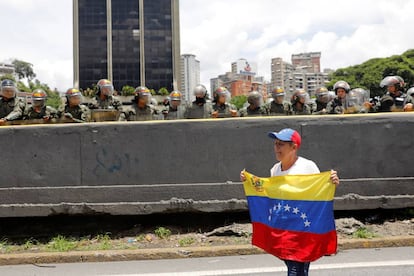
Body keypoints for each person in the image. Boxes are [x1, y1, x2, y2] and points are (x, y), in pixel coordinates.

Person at [240, 128, 339, 276]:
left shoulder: (307, 166)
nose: (277, 148)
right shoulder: (275, 170)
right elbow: (270, 194)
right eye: (276, 144)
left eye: (281, 144)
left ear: (294, 147)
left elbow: (319, 191)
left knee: (295, 269)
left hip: (303, 229)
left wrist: (332, 181)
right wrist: (250, 181)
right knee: (296, 268)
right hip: (284, 230)